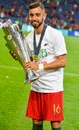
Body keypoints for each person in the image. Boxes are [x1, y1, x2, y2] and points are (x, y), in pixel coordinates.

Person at [24, 1, 67, 130]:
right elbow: (30, 63)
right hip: (36, 87)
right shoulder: (28, 38)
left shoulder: (55, 35)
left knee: (55, 123)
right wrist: (19, 56)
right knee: (36, 120)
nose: (34, 18)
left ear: (44, 15)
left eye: (37, 14)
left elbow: (62, 61)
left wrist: (40, 67)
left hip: (52, 87)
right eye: (31, 15)